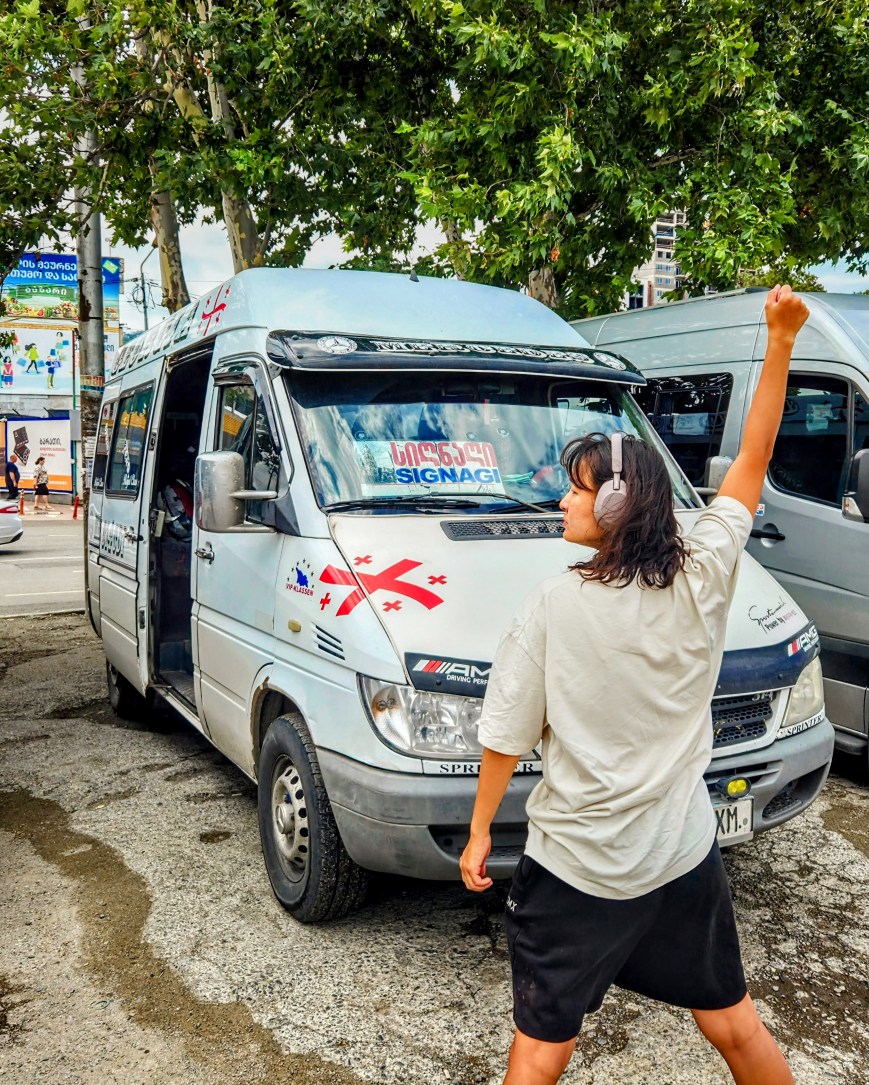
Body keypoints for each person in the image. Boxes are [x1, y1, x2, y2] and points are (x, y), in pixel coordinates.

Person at [460, 285, 810, 1085]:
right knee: (731, 1022)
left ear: (614, 502)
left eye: (577, 488)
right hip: (679, 854)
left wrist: (480, 831)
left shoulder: (552, 605)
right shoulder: (707, 572)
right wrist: (779, 340)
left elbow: (505, 734)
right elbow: (751, 459)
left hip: (578, 865)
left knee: (540, 1049)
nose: (563, 498)